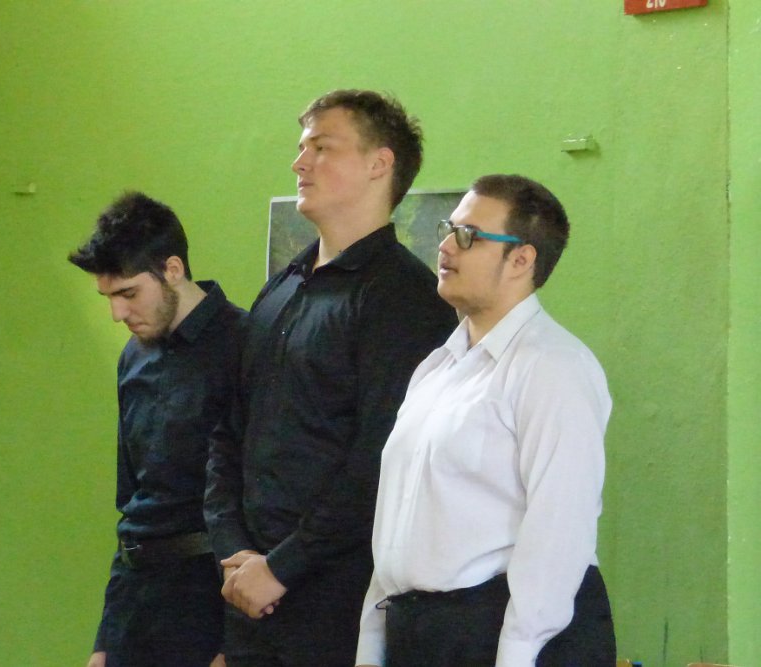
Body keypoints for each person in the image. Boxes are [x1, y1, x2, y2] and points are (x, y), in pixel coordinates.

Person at [204, 90, 458, 667]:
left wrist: (282, 566)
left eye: (322, 147)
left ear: (379, 163)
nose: (300, 163)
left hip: (338, 603)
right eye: (302, 148)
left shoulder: (404, 298)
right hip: (247, 592)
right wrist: (234, 551)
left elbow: (381, 460)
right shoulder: (282, 287)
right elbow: (228, 429)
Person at [355, 174, 616, 667]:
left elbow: (560, 525)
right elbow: (398, 522)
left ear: (521, 260)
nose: (446, 246)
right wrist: (373, 643)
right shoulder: (435, 369)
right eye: (448, 229)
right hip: (421, 630)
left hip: (504, 630)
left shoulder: (553, 366)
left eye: (469, 236)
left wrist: (518, 652)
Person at [69, 191, 246, 667]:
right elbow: (132, 502)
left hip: (209, 599)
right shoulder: (133, 357)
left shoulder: (245, 344)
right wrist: (106, 639)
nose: (117, 314)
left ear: (172, 269)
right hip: (136, 600)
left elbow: (265, 503)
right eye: (109, 298)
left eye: (128, 294)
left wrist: (236, 644)